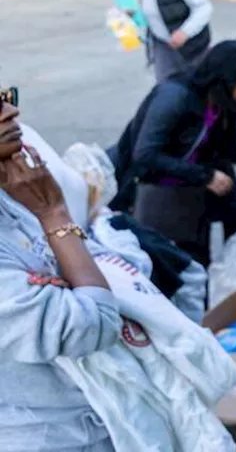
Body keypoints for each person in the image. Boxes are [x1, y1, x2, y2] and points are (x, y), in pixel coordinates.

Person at [0, 83, 122, 451]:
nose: (11, 112)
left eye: (6, 96)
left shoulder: (15, 187)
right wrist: (55, 216)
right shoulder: (37, 200)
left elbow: (110, 261)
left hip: (88, 420)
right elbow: (94, 324)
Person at [111, 41, 236, 265]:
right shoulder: (174, 96)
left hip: (193, 187)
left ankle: (231, 285)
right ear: (228, 78)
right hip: (157, 189)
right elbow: (145, 154)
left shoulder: (225, 102)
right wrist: (205, 176)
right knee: (181, 263)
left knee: (228, 232)